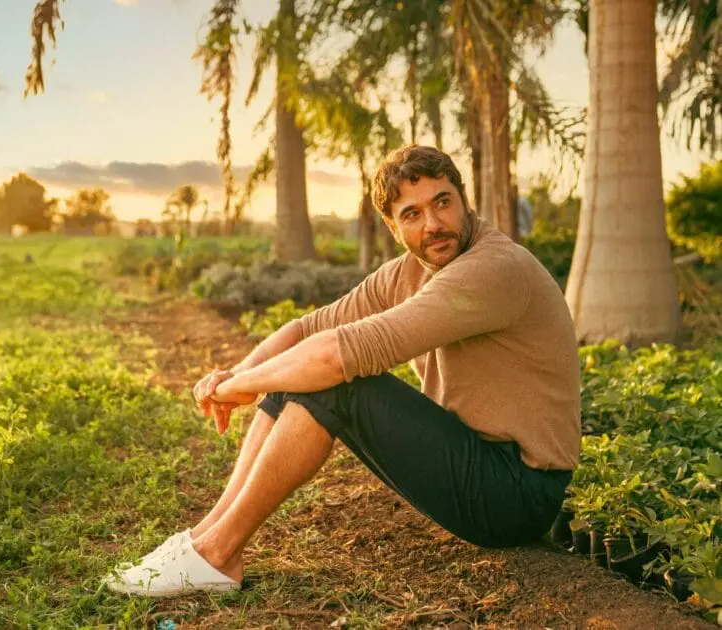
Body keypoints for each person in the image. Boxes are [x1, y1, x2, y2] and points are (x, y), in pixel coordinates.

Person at [104, 145, 581, 598]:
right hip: (475, 460)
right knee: (292, 371)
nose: (433, 224)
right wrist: (239, 373)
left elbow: (339, 355)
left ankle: (216, 553)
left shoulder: (493, 268)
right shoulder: (409, 271)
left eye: (442, 202)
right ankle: (206, 537)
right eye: (412, 214)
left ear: (463, 200)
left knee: (332, 383)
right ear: (393, 227)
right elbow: (308, 328)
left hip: (519, 494)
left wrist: (242, 386)